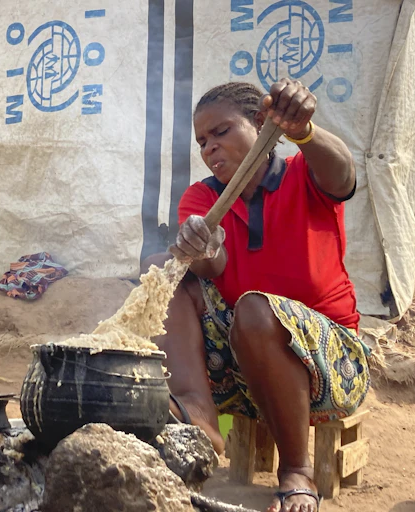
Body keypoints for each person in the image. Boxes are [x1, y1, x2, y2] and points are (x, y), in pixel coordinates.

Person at [145, 80, 371, 512]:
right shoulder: (203, 196)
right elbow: (216, 266)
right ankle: (199, 414)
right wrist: (202, 249)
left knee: (254, 306)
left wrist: (305, 132)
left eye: (222, 132)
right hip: (242, 370)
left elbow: (344, 174)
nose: (210, 147)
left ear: (262, 122)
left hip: (329, 368)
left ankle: (297, 470)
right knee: (163, 269)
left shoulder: (306, 174)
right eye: (202, 141)